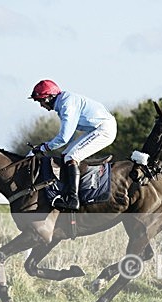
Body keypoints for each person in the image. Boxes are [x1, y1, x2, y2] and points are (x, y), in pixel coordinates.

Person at [28, 80, 117, 211]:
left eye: (40, 101)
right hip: (96, 128)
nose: (41, 105)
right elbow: (69, 135)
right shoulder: (63, 102)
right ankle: (67, 191)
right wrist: (47, 146)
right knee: (65, 155)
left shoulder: (66, 104)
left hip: (104, 129)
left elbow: (64, 137)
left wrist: (44, 147)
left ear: (49, 98)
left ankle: (73, 199)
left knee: (71, 157)